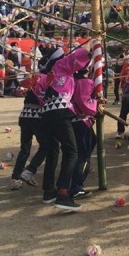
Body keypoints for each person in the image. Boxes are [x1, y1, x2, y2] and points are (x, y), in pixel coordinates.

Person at [41, 43, 92, 211]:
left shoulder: (51, 72)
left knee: (53, 151)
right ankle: (63, 194)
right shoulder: (60, 65)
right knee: (72, 152)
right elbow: (76, 58)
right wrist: (92, 47)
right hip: (60, 110)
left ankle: (49, 191)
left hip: (48, 112)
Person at [10, 72, 48, 190]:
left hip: (25, 117)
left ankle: (15, 178)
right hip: (37, 118)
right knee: (46, 146)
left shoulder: (34, 83)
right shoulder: (45, 81)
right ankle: (30, 170)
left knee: (25, 149)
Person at [70, 67, 98, 199]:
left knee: (93, 140)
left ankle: (76, 174)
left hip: (75, 120)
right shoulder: (83, 82)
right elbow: (84, 102)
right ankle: (76, 186)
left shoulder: (72, 80)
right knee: (83, 155)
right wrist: (97, 104)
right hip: (80, 121)